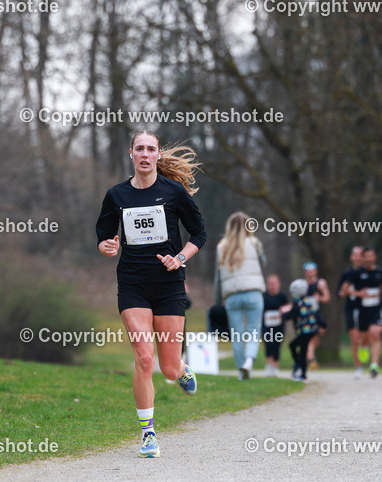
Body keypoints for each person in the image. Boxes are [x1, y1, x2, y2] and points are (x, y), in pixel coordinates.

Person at [96, 130, 207, 458]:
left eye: (151, 149)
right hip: (132, 285)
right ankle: (148, 434)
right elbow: (104, 237)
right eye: (139, 149)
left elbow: (199, 232)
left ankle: (182, 369)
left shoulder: (173, 192)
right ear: (131, 154)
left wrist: (181, 257)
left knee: (168, 369)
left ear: (158, 155)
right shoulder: (116, 195)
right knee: (144, 358)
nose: (145, 154)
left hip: (169, 285)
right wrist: (107, 246)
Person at [214, 212, 266, 380]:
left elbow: (217, 277)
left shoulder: (221, 247)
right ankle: (248, 362)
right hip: (253, 293)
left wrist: (217, 301)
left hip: (232, 295)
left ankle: (240, 371)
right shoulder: (254, 242)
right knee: (253, 330)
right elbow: (263, 263)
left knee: (236, 334)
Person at [350, 247, 382, 378]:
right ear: (363, 258)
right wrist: (359, 293)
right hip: (362, 310)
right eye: (367, 256)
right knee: (364, 338)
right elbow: (346, 290)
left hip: (376, 309)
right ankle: (364, 347)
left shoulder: (380, 271)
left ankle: (374, 365)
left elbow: (381, 286)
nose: (369, 258)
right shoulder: (357, 273)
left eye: (372, 256)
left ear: (375, 257)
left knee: (375, 334)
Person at [337, 246, 365, 378]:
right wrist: (344, 291)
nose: (358, 257)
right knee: (354, 339)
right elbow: (340, 292)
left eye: (360, 254)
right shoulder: (347, 274)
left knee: (365, 337)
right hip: (351, 308)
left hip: (367, 309)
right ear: (351, 257)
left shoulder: (368, 272)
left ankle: (367, 358)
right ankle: (358, 366)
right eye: (356, 254)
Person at [284, 279, 320, 382]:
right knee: (298, 348)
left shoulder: (297, 302)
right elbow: (315, 314)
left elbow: (293, 314)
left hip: (306, 332)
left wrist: (282, 316)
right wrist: (321, 325)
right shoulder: (308, 301)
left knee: (299, 350)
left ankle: (302, 372)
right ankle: (299, 367)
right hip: (310, 330)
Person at [262, 274, 290, 377]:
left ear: (278, 284)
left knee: (277, 344)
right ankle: (269, 365)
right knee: (269, 344)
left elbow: (289, 307)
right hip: (266, 325)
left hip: (279, 325)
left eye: (274, 283)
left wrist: (285, 310)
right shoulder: (263, 296)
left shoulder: (282, 296)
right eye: (270, 283)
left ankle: (275, 366)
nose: (272, 285)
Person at [303, 261, 330, 370]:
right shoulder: (302, 284)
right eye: (308, 272)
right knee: (310, 337)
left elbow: (327, 297)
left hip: (317, 314)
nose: (310, 273)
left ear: (316, 272)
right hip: (305, 316)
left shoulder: (320, 283)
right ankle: (311, 358)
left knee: (315, 338)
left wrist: (320, 298)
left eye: (312, 271)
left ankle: (310, 356)